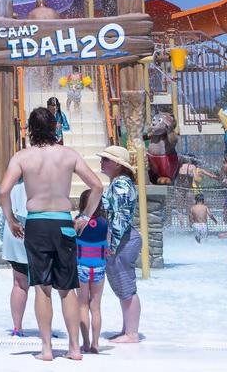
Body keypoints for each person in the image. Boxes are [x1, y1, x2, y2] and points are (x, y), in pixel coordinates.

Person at [0, 108, 103, 362]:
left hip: (36, 224)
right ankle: (74, 348)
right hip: (63, 223)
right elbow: (98, 186)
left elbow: (3, 191)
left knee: (42, 288)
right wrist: (85, 217)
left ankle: (46, 349)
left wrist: (11, 220)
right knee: (67, 289)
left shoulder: (22, 157)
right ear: (56, 127)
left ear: (29, 129)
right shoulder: (68, 155)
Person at [98, 144, 142, 344]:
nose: (102, 162)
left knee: (125, 285)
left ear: (117, 164)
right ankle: (128, 330)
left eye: (106, 159)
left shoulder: (121, 184)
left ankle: (132, 333)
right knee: (122, 285)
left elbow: (121, 217)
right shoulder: (119, 182)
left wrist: (112, 244)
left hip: (123, 239)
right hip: (123, 238)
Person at [75, 189, 108, 354]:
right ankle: (96, 344)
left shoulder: (78, 222)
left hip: (81, 267)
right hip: (99, 268)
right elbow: (108, 245)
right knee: (96, 307)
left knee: (82, 305)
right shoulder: (104, 222)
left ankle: (86, 343)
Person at [0, 176, 29, 337]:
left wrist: (2, 241)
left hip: (15, 234)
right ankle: (46, 330)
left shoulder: (12, 189)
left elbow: (1, 218)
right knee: (44, 286)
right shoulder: (44, 185)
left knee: (19, 284)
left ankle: (17, 328)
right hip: (39, 233)